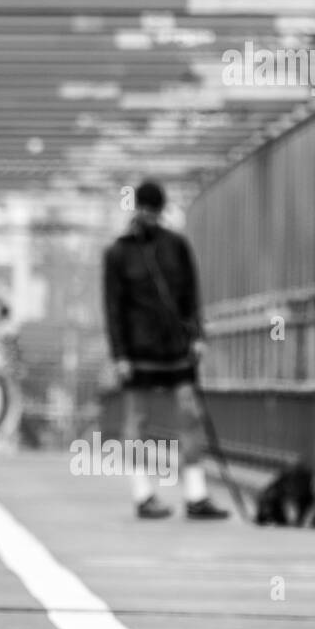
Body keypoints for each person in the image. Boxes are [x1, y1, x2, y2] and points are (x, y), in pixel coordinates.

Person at [102, 179, 230, 520]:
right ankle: (144, 495)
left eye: (152, 209)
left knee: (190, 416)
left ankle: (196, 494)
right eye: (144, 209)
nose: (148, 215)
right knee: (138, 423)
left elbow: (191, 294)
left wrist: (198, 337)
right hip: (138, 351)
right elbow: (113, 307)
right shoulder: (118, 252)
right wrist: (120, 356)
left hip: (177, 348)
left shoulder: (177, 246)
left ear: (159, 210)